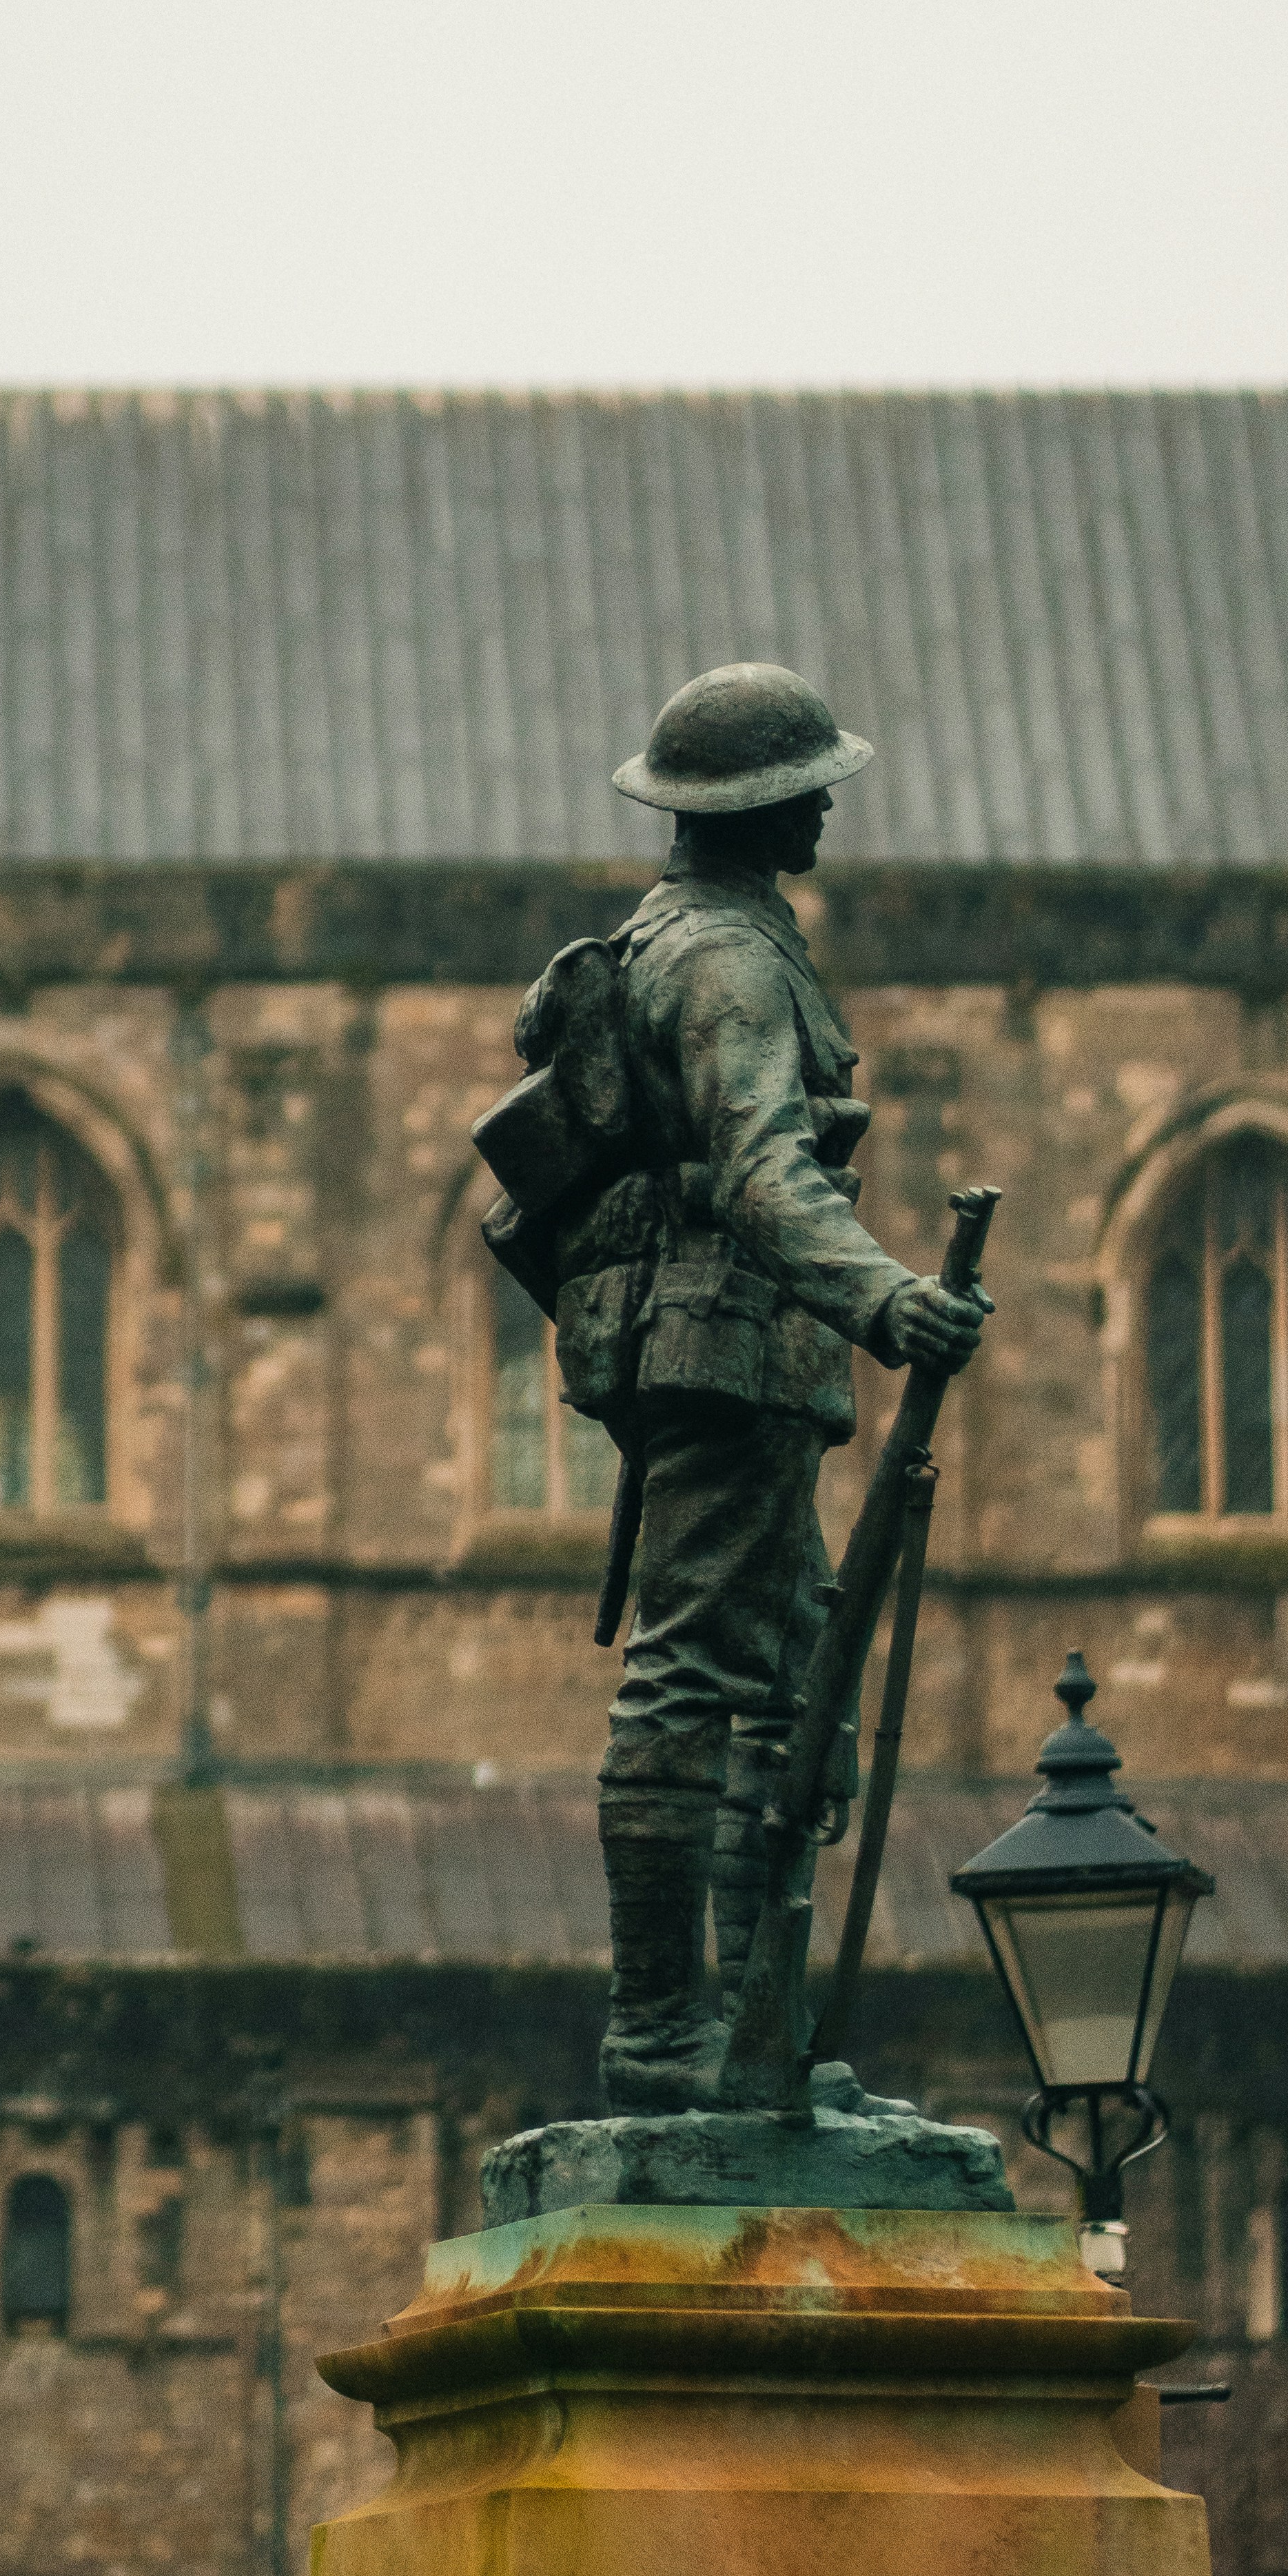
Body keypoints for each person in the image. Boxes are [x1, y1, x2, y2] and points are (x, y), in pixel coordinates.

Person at [533, 662, 989, 2109]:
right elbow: (761, 1174)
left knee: (794, 1692)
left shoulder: (678, 934)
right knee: (696, 1679)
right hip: (726, 1347)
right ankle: (663, 2031)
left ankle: (760, 2043)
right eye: (812, 787)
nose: (831, 806)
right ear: (760, 806)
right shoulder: (726, 962)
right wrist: (889, 1298)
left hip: (727, 1351)